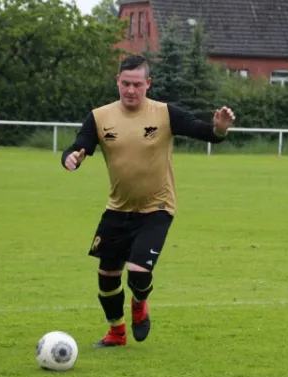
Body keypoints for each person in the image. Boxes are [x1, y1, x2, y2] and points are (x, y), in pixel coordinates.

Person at [61, 55, 236, 347]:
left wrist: (219, 128)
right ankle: (116, 333)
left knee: (138, 273)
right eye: (126, 84)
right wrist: (72, 156)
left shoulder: (165, 114)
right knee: (107, 277)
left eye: (137, 85)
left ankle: (140, 303)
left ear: (148, 84)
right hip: (117, 209)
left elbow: (205, 133)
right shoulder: (100, 116)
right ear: (118, 81)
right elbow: (81, 145)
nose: (131, 90)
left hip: (157, 207)